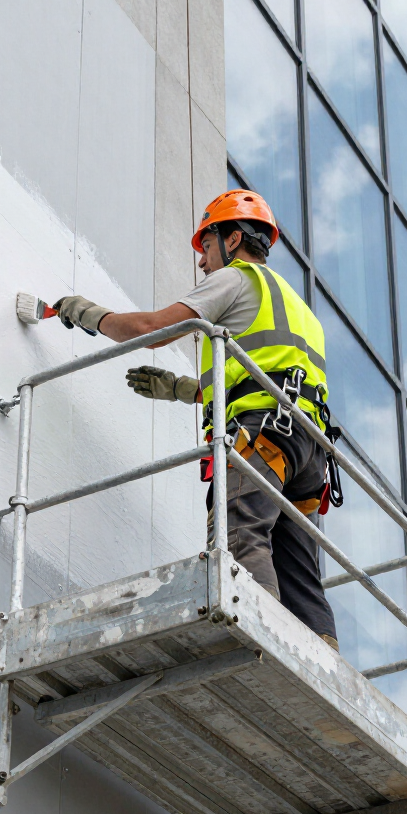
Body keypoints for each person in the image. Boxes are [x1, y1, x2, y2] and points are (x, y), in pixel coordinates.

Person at [52, 190, 340, 649]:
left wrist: (87, 314)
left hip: (264, 435)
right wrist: (182, 389)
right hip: (307, 450)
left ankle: (256, 638)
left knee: (240, 534)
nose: (202, 263)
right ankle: (327, 663)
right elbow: (266, 374)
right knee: (299, 570)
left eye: (205, 247)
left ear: (232, 238)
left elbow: (149, 331)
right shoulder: (297, 306)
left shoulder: (234, 279)